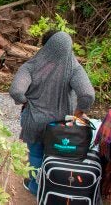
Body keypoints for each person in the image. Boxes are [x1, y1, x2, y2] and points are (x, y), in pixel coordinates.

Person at [9, 31, 95, 195]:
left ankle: (35, 187)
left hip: (34, 120)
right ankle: (54, 186)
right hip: (60, 125)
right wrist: (78, 112)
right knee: (57, 155)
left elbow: (16, 91)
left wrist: (27, 103)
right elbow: (88, 94)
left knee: (35, 154)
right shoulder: (73, 68)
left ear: (46, 47)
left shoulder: (31, 65)